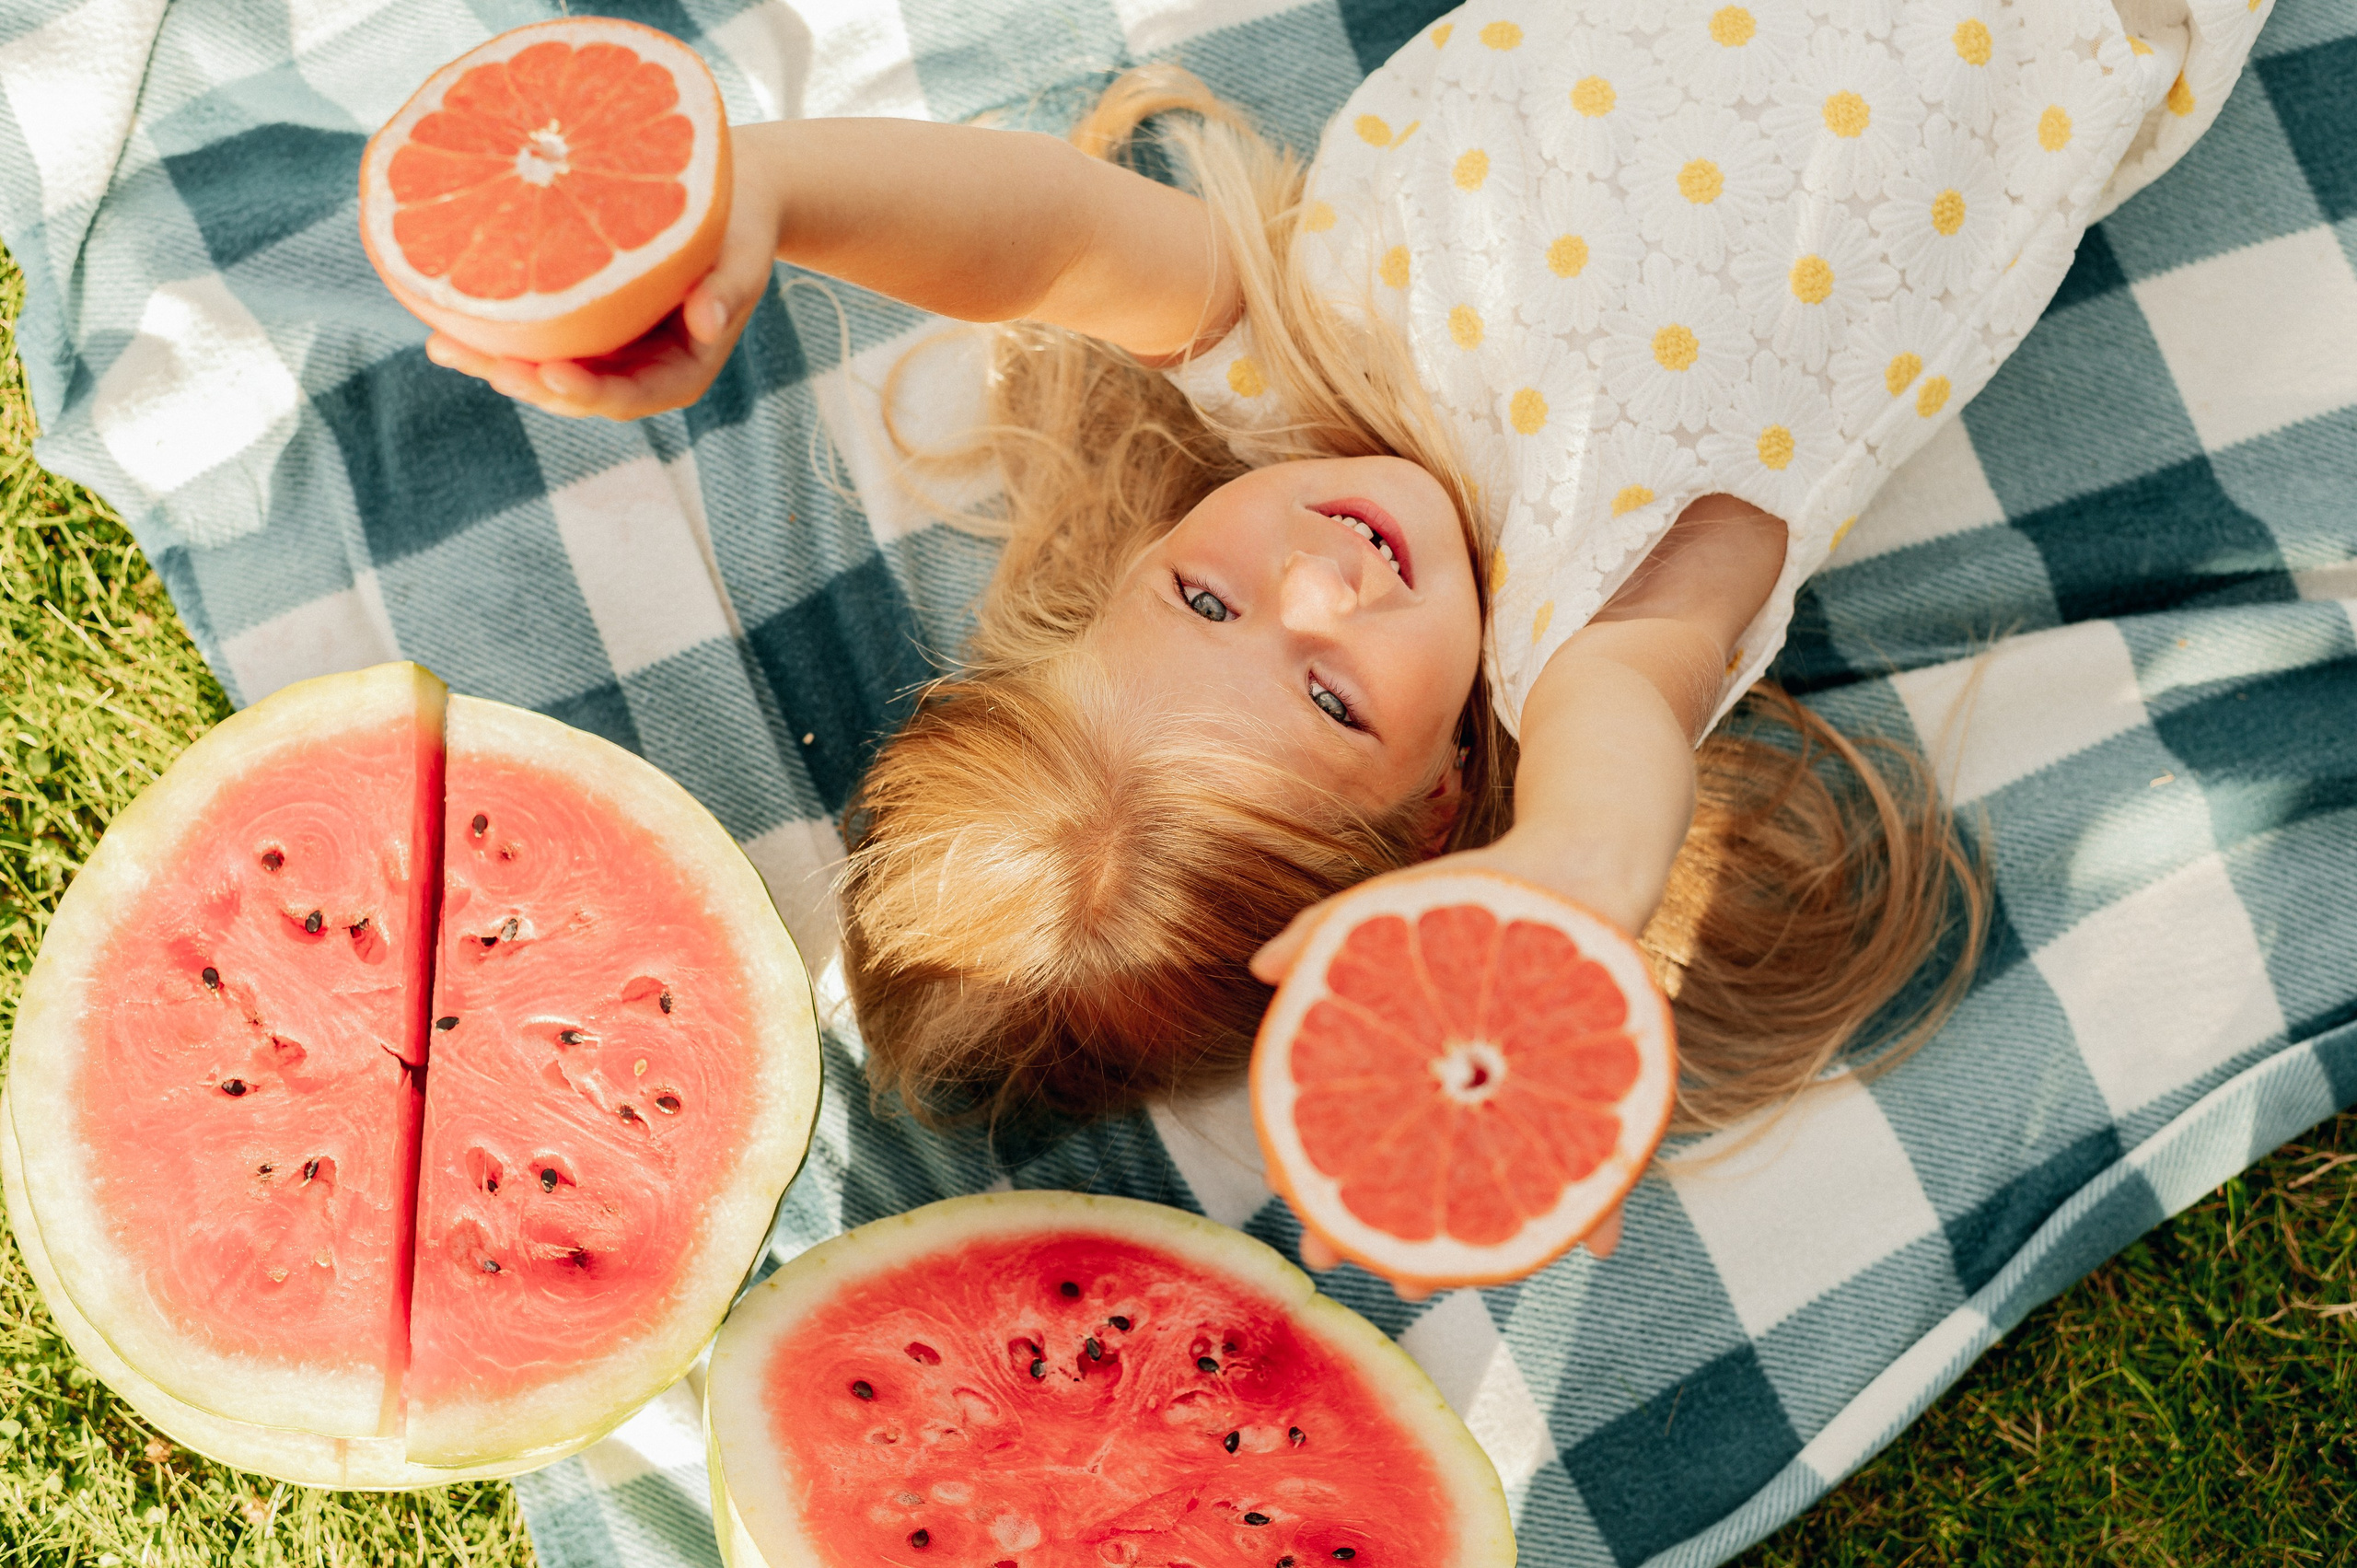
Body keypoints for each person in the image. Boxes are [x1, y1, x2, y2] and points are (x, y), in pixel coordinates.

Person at [429, 1, 2266, 1273]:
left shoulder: (1286, 364)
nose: (1315, 580)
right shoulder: (1588, 633)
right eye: (1320, 696)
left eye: (1197, 600)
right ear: (1435, 813)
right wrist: (1539, 911)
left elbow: (1043, 246)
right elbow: (1604, 801)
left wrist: (767, 197)